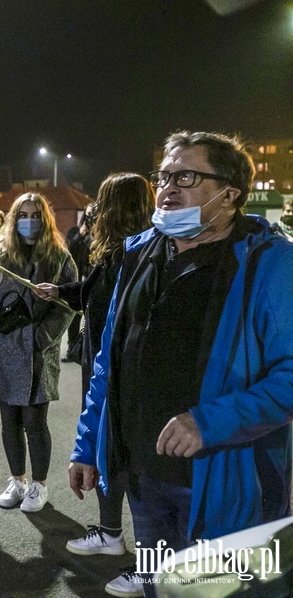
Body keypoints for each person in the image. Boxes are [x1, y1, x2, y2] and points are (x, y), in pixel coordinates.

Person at [69, 131, 293, 596]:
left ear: (229, 194)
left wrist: (207, 422)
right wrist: (89, 443)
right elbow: (109, 364)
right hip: (146, 481)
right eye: (164, 175)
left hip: (224, 482)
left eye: (186, 176)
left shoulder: (270, 265)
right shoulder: (139, 254)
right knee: (159, 586)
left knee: (217, 590)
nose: (167, 187)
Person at [34, 173, 154, 597]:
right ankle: (109, 532)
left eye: (103, 202)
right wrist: (61, 291)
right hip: (104, 365)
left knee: (132, 459)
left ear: (115, 207)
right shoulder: (120, 252)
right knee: (106, 449)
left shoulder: (136, 253)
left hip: (120, 371)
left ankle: (149, 563)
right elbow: (92, 294)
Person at [0, 192, 76, 513]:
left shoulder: (59, 257)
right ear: (14, 219)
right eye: (23, 215)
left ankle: (39, 485)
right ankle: (17, 480)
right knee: (9, 421)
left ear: (45, 219)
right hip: (6, 353)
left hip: (40, 354)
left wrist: (42, 338)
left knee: (34, 423)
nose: (29, 221)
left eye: (36, 215)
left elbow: (67, 306)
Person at [61, 203, 94, 364]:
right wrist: (80, 236)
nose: (89, 219)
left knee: (89, 319)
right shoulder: (75, 231)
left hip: (90, 278)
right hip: (77, 278)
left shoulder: (99, 233)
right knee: (73, 318)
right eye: (87, 215)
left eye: (93, 215)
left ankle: (86, 351)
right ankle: (71, 349)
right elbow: (69, 249)